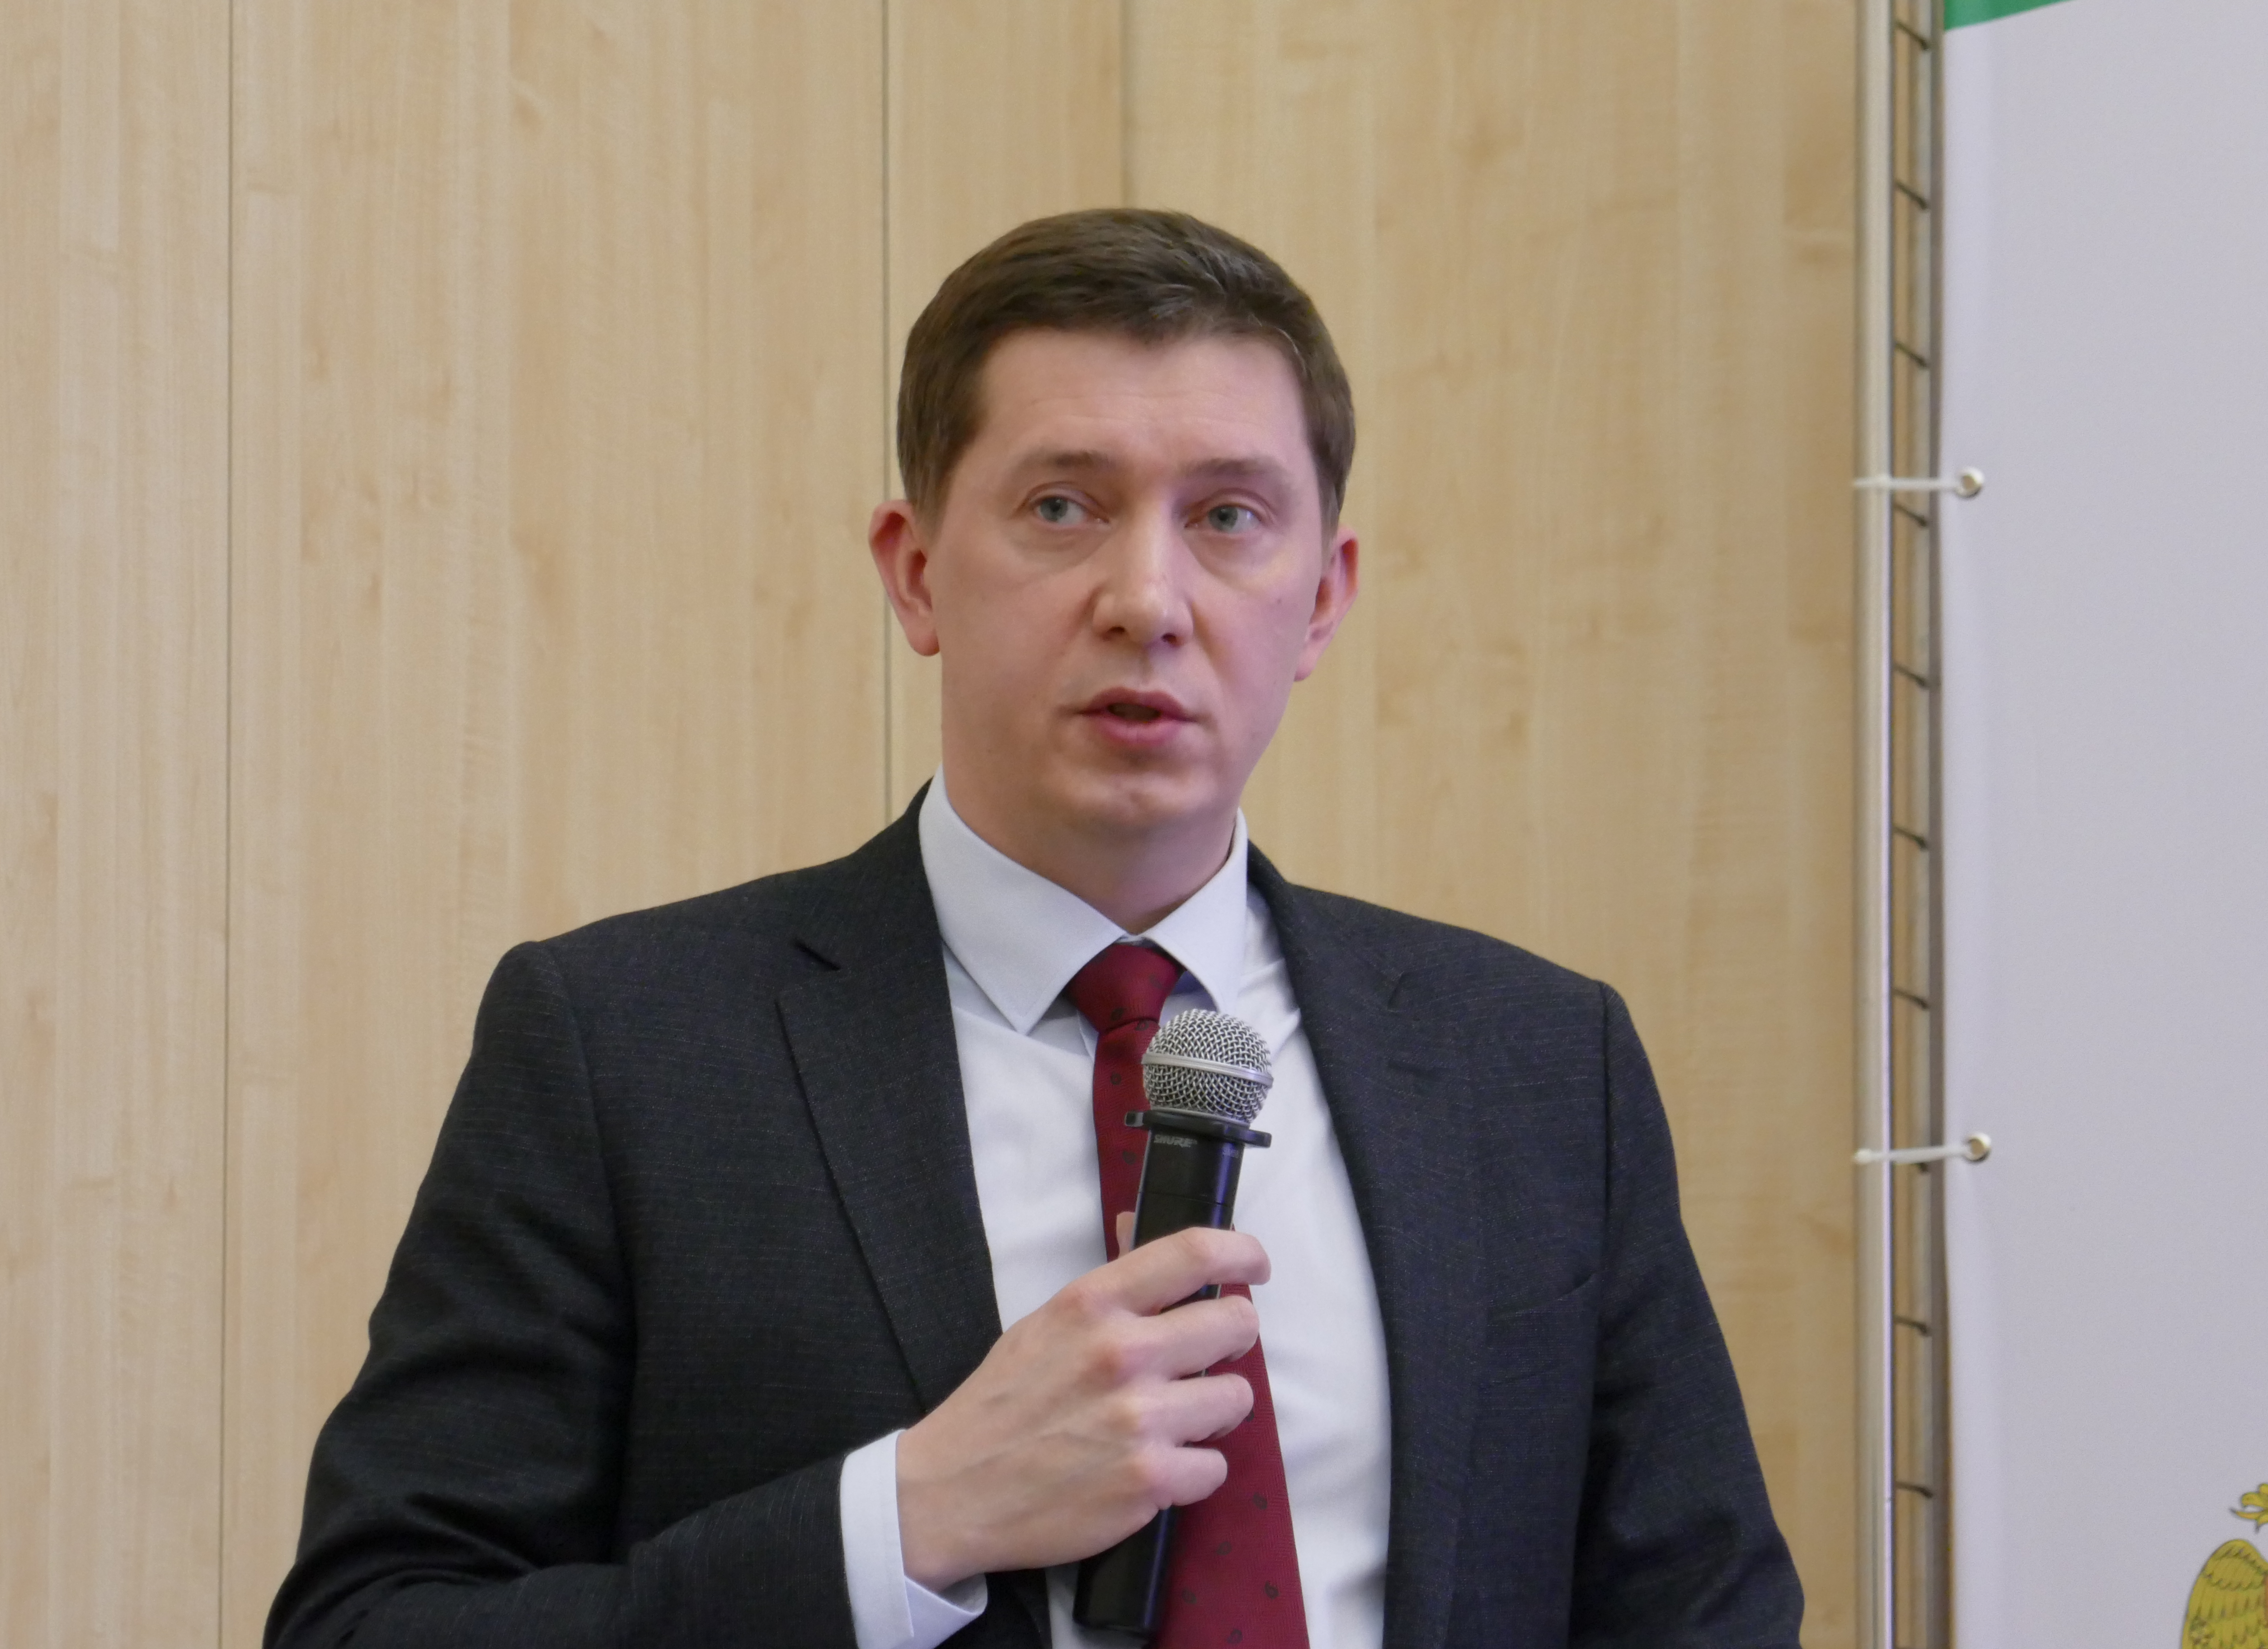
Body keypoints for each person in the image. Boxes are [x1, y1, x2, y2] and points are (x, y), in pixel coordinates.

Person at [265, 208, 1803, 1649]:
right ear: (917, 572)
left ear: (1325, 600)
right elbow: (373, 1622)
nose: (1149, 599)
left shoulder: (1537, 1066)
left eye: (1229, 518)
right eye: (1063, 508)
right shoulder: (628, 1051)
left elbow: (1706, 1614)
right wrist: (908, 1523)